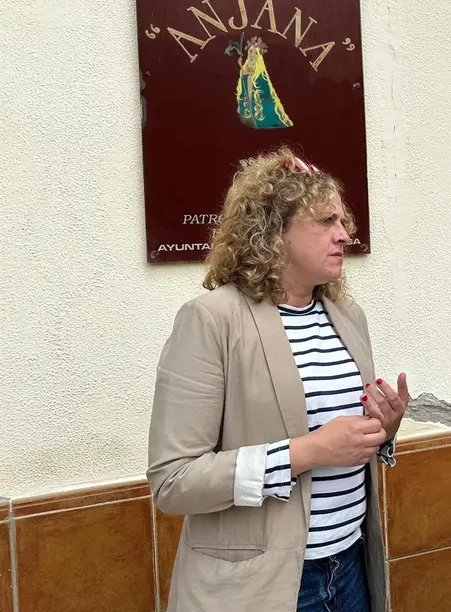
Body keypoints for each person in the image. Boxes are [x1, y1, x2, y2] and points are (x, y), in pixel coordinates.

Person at [147, 148, 408, 612]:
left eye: (343, 221)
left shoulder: (347, 316)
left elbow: (344, 437)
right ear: (275, 232)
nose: (345, 235)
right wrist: (310, 451)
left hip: (349, 567)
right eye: (327, 221)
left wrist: (383, 429)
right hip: (263, 585)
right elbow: (174, 480)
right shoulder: (211, 321)